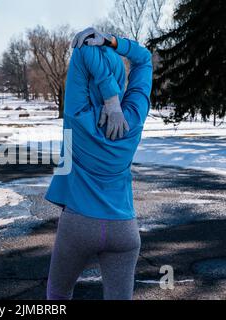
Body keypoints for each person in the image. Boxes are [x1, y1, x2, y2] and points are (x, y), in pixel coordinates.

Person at [45, 28, 153, 300]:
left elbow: (82, 51)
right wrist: (113, 42)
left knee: (58, 295)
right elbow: (144, 59)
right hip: (124, 229)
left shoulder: (77, 113)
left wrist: (109, 95)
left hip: (79, 225)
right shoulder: (134, 118)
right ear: (120, 76)